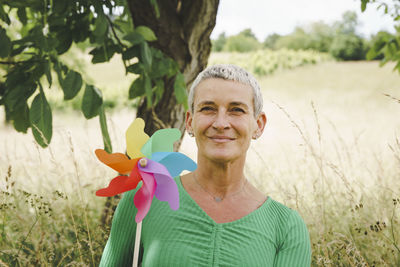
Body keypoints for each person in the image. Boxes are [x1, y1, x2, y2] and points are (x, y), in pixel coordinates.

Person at [99, 64, 311, 266]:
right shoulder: (144, 200)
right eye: (208, 108)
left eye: (236, 110)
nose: (220, 123)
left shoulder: (286, 227)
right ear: (189, 122)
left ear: (258, 124)